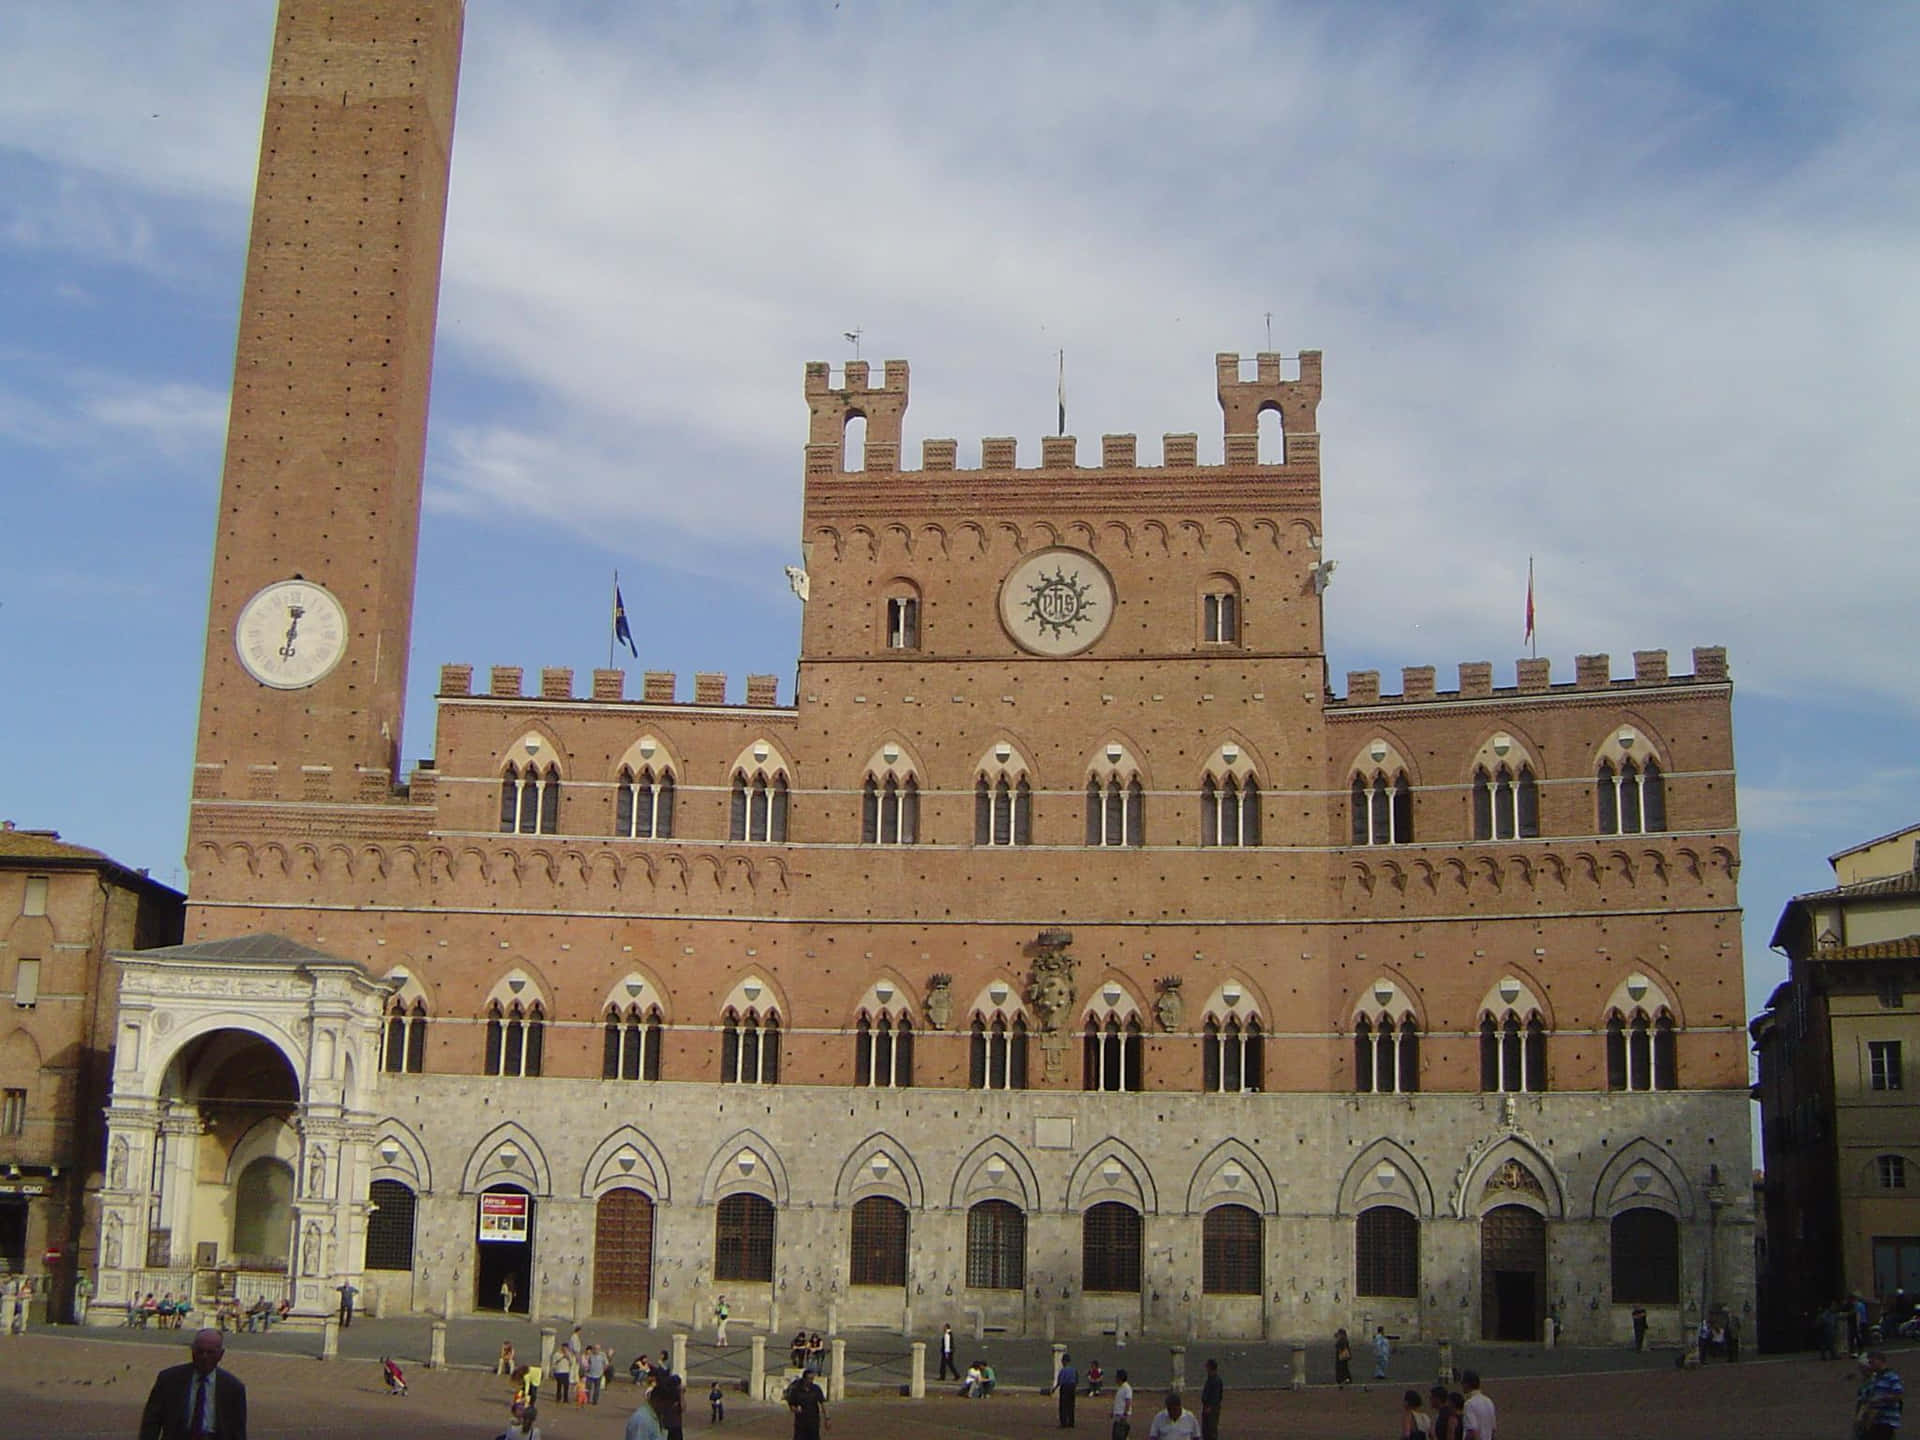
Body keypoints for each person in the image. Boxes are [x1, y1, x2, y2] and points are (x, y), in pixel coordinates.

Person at [139, 1327, 249, 1440]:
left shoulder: (233, 1388)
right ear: (192, 1351)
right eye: (200, 1351)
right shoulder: (169, 1380)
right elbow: (151, 1422)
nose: (204, 1357)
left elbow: (238, 1430)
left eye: (210, 1352)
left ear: (221, 1355)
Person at [1857, 1350, 1905, 1440]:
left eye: (1872, 1362)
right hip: (1873, 1421)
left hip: (1886, 1421)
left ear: (1880, 1360)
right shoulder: (1874, 1379)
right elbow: (1865, 1397)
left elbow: (1899, 1395)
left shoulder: (1891, 1377)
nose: (1870, 1365)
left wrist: (1880, 1398)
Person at [786, 1368, 828, 1440]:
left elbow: (822, 1403)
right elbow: (791, 1405)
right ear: (804, 1379)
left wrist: (827, 1418)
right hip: (800, 1422)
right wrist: (796, 1409)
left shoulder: (816, 1389)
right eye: (809, 1379)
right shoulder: (796, 1390)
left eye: (812, 1379)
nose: (811, 1381)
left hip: (814, 1421)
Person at [1460, 1370, 1496, 1440]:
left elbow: (1472, 1431)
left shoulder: (1469, 1404)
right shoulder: (1489, 1401)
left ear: (1467, 1384)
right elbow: (1493, 1431)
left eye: (1462, 1382)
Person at [1199, 1359, 1223, 1440]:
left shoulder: (1215, 1380)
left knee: (1210, 1430)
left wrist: (1210, 1407)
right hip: (1208, 1407)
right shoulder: (1211, 1379)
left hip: (1211, 1408)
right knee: (1206, 1430)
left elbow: (1216, 1396)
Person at [1056, 1351, 1080, 1427]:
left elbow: (1060, 1382)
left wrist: (1054, 1389)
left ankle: (1063, 1423)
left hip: (1065, 1388)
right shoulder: (1074, 1370)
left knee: (1063, 1406)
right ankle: (1071, 1422)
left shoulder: (1062, 1371)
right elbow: (1076, 1380)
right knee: (1071, 1406)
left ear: (1064, 1361)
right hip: (1072, 1387)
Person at [1110, 1366, 1134, 1440]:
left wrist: (1125, 1414)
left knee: (1120, 1436)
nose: (1115, 1379)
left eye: (1116, 1377)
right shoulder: (1121, 1388)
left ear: (1120, 1378)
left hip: (1122, 1417)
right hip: (1118, 1416)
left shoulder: (1127, 1388)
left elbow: (1128, 1401)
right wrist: (1113, 1412)